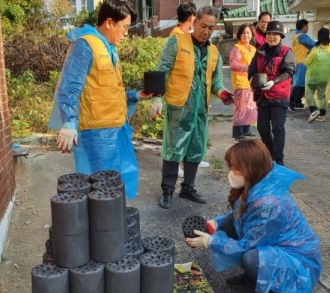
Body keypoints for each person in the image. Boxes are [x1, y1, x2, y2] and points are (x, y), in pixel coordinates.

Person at [186, 140, 322, 293]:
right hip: (271, 242)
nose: (231, 173)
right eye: (231, 167)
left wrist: (211, 241)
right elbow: (239, 216)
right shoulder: (259, 182)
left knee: (252, 258)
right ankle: (256, 277)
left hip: (295, 259)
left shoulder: (269, 204)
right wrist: (215, 223)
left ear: (250, 169)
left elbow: (247, 246)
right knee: (227, 224)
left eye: (235, 169)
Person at [48, 0, 151, 199]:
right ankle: (103, 228)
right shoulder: (85, 46)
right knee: (101, 190)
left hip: (115, 130)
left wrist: (136, 95)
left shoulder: (109, 50)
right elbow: (69, 87)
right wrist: (69, 123)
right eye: (124, 28)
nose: (126, 34)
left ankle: (111, 225)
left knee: (113, 188)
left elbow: (108, 91)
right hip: (97, 135)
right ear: (110, 22)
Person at [150, 6, 234, 209]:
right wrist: (157, 98)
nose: (206, 31)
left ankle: (188, 188)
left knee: (196, 148)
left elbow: (216, 81)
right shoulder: (176, 42)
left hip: (200, 109)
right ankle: (167, 191)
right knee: (173, 148)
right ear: (195, 21)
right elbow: (162, 70)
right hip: (179, 106)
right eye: (203, 25)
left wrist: (222, 93)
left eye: (211, 28)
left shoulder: (214, 52)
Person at [248, 21, 295, 166]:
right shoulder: (260, 51)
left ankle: (278, 160)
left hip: (279, 96)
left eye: (275, 34)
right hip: (263, 96)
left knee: (278, 128)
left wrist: (274, 82)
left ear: (280, 36)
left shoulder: (287, 52)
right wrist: (253, 79)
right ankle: (269, 154)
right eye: (269, 33)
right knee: (262, 127)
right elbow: (252, 69)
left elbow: (289, 71)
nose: (271, 36)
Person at [229, 23, 257, 141]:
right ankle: (238, 133)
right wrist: (248, 67)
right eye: (244, 32)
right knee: (240, 109)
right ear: (239, 35)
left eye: (248, 33)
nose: (246, 35)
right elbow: (234, 65)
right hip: (241, 83)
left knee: (250, 107)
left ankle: (246, 129)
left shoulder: (253, 49)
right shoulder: (236, 48)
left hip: (251, 83)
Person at [305, 28, 330, 123]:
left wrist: (307, 56)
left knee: (309, 93)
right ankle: (322, 115)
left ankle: (314, 111)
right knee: (322, 95)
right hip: (325, 77)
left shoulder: (315, 49)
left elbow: (306, 62)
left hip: (313, 76)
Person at [289, 19, 316, 112]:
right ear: (303, 26)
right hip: (302, 62)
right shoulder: (302, 36)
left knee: (300, 83)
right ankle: (291, 102)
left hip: (296, 61)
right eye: (307, 26)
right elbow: (313, 44)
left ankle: (296, 102)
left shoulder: (294, 35)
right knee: (300, 83)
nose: (307, 28)